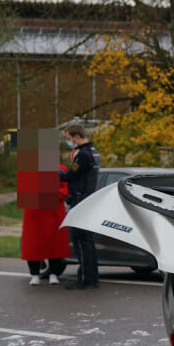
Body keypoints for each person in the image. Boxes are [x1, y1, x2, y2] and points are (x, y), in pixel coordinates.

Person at [61, 124, 102, 290]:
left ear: (77, 136)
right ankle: (91, 278)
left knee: (80, 240)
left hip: (81, 200)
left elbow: (71, 175)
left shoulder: (84, 155)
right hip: (88, 199)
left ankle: (86, 279)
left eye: (69, 138)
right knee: (87, 240)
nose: (69, 142)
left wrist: (52, 169)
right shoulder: (94, 151)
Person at [21, 164, 71, 284]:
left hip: (54, 211)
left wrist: (55, 194)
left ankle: (53, 274)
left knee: (55, 244)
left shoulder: (61, 169)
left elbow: (66, 187)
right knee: (33, 245)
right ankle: (34, 274)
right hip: (35, 211)